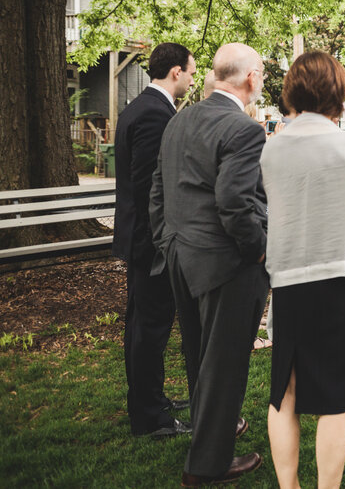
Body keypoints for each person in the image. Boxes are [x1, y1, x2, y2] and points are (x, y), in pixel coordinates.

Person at [260, 51, 345, 489]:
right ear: (337, 91)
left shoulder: (272, 148)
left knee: (286, 394)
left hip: (290, 282)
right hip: (336, 281)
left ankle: (288, 486)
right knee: (336, 397)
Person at [150, 42, 270, 486]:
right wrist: (259, 249)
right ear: (250, 77)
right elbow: (236, 204)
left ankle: (210, 428)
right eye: (261, 72)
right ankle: (207, 465)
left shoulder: (179, 118)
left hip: (181, 255)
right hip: (226, 262)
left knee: (199, 354)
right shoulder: (243, 128)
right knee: (225, 361)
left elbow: (157, 193)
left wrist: (168, 241)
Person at [112, 42, 195, 437]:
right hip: (149, 244)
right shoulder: (154, 115)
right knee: (151, 327)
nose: (192, 79)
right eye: (191, 72)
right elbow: (149, 188)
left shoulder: (141, 106)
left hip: (141, 240)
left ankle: (150, 399)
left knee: (143, 326)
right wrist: (159, 246)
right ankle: (149, 417)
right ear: (175, 72)